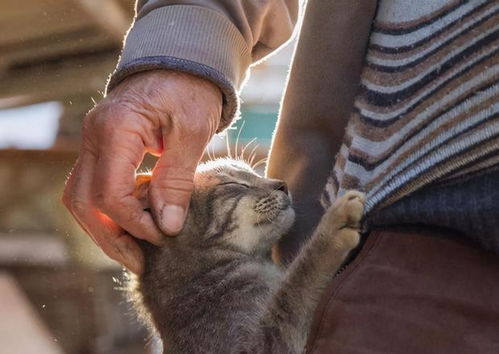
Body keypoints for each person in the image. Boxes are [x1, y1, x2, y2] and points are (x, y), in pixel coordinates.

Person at [63, 1, 499, 352]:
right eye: (241, 186)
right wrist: (183, 47)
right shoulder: (204, 300)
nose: (274, 185)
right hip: (406, 226)